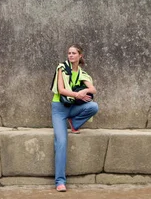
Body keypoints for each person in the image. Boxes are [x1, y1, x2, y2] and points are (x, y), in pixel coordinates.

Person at [50, 44, 99, 192]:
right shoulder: (61, 68)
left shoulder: (82, 73)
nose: (70, 55)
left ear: (80, 56)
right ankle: (60, 181)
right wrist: (77, 95)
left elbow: (93, 89)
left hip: (72, 108)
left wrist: (84, 90)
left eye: (74, 53)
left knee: (93, 106)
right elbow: (61, 89)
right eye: (69, 53)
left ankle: (74, 123)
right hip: (59, 109)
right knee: (62, 142)